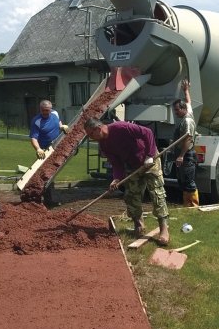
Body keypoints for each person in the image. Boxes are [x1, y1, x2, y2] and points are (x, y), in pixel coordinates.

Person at [84, 118, 171, 245]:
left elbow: (147, 133)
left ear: (98, 128)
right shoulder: (104, 145)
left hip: (150, 161)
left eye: (91, 134)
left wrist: (150, 155)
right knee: (131, 196)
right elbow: (116, 163)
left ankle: (164, 230)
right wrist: (116, 178)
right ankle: (139, 226)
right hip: (132, 165)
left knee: (157, 194)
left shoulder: (121, 127)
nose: (91, 137)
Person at [29, 100, 69, 206]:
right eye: (43, 110)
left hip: (56, 147)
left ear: (51, 109)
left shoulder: (55, 114)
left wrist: (61, 126)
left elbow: (58, 121)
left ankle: (47, 199)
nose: (45, 113)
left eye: (47, 110)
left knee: (53, 174)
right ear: (40, 109)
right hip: (44, 151)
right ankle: (46, 200)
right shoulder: (36, 121)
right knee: (46, 174)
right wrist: (38, 149)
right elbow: (33, 138)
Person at [172, 79, 200, 207]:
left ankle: (193, 206)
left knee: (189, 181)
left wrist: (181, 155)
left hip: (187, 154)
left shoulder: (187, 121)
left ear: (183, 109)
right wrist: (186, 90)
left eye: (177, 110)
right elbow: (188, 102)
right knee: (182, 181)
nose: (175, 112)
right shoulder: (188, 111)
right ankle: (186, 205)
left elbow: (188, 139)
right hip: (183, 153)